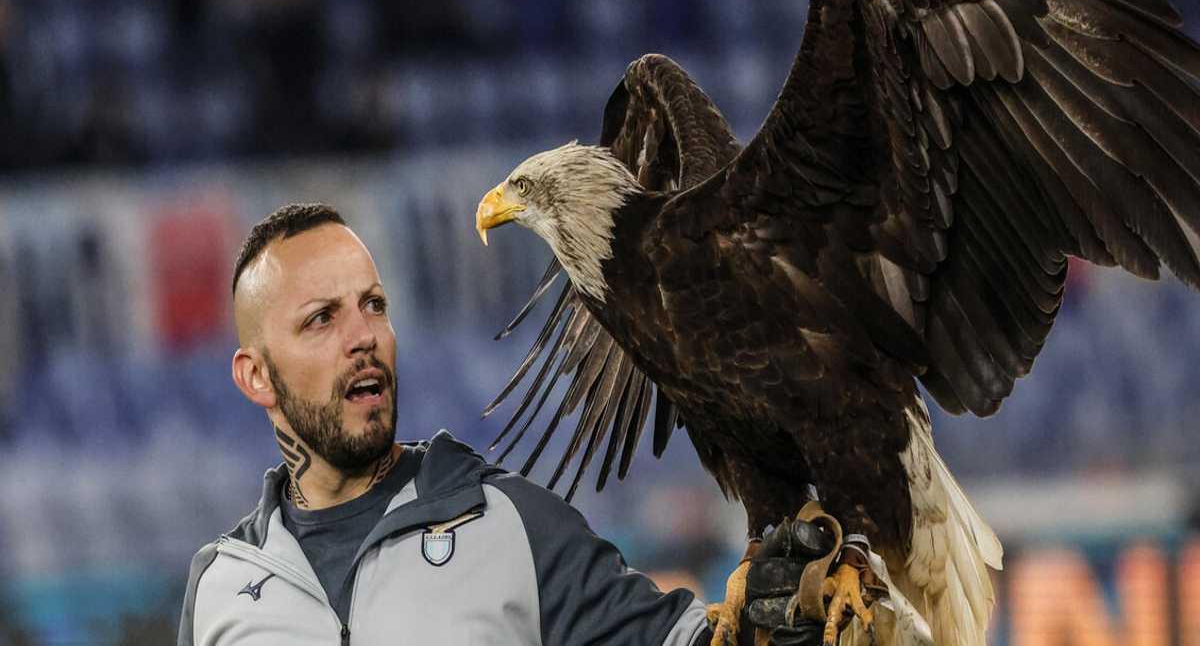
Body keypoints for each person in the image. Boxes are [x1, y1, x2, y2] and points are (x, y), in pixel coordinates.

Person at [178, 203, 832, 645]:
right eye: (322, 318)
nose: (364, 336)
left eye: (374, 306)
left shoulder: (509, 524)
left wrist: (770, 629)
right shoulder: (220, 587)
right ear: (256, 376)